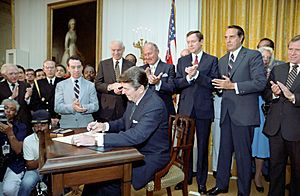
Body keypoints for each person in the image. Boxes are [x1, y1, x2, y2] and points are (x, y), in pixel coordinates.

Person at [72, 66, 170, 195]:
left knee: (108, 182)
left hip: (150, 156)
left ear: (140, 88)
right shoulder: (133, 98)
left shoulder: (154, 106)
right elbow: (124, 122)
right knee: (95, 176)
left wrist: (96, 139)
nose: (123, 92)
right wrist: (104, 126)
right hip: (133, 150)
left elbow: (136, 136)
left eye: (126, 89)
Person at [208, 25, 266, 196]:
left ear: (241, 38)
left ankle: (243, 192)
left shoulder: (253, 56)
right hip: (227, 114)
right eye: (226, 37)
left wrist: (232, 86)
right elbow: (221, 86)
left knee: (243, 157)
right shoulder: (222, 60)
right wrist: (217, 87)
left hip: (244, 115)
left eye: (231, 37)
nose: (228, 40)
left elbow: (260, 83)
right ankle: (221, 185)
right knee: (224, 153)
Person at [175, 30, 219, 194]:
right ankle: (185, 178)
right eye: (188, 42)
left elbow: (214, 84)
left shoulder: (211, 60)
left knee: (202, 147)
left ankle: (201, 182)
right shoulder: (182, 60)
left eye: (193, 41)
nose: (190, 45)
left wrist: (197, 75)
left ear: (201, 41)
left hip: (204, 110)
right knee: (185, 147)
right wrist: (187, 78)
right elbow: (177, 84)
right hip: (186, 110)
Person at [263, 35, 300, 196]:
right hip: (275, 128)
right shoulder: (278, 69)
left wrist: (293, 97)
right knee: (275, 168)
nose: (292, 53)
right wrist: (275, 94)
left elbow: (292, 96)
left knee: (298, 171)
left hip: (296, 130)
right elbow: (265, 92)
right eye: (290, 49)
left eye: (297, 50)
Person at [250, 46, 272, 193]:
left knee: (261, 146)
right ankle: (245, 175)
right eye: (262, 57)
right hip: (248, 110)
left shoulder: (274, 73)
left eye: (268, 58)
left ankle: (258, 176)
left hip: (265, 112)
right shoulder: (248, 70)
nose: (264, 60)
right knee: (246, 144)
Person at [95, 41, 134, 122]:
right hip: (107, 107)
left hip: (125, 105)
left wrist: (123, 89)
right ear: (110, 50)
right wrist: (111, 87)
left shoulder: (130, 65)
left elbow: (133, 85)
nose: (116, 53)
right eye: (113, 50)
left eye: (119, 50)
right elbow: (98, 84)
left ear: (123, 50)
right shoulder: (103, 64)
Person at [55, 55, 98, 128]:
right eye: (73, 67)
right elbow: (57, 107)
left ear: (82, 67)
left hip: (86, 125)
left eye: (78, 67)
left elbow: (95, 106)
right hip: (67, 126)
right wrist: (72, 107)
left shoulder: (90, 85)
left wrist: (82, 107)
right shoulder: (61, 85)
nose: (76, 70)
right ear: (68, 68)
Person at [18, 109, 50, 196]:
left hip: (55, 169)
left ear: (49, 125)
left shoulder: (57, 137)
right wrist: (48, 157)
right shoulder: (28, 140)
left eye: (43, 125)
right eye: (36, 125)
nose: (39, 128)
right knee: (26, 184)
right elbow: (30, 165)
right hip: (36, 170)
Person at [0, 99, 27, 196]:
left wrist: (10, 133)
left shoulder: (20, 127)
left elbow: (18, 150)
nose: (8, 111)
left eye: (11, 109)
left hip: (14, 163)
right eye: (5, 108)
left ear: (15, 113)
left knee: (9, 190)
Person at [142, 42, 176, 116]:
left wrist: (158, 83)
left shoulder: (169, 67)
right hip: (145, 111)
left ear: (157, 52)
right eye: (145, 55)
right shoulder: (141, 69)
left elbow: (172, 88)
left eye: (150, 53)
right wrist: (144, 79)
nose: (147, 57)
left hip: (164, 110)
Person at [30, 60, 64, 128]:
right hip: (44, 119)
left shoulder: (63, 82)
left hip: (60, 118)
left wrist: (58, 117)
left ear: (55, 69)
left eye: (52, 67)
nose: (50, 70)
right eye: (47, 68)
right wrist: (47, 117)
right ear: (44, 69)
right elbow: (34, 103)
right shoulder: (38, 83)